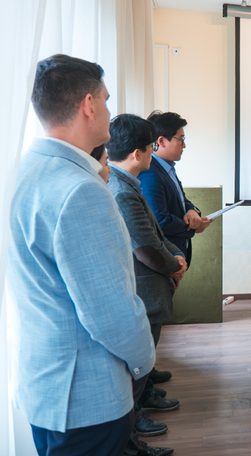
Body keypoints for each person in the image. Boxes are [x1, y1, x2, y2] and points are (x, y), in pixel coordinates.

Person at [6, 54, 160, 456]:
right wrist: (144, 361)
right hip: (87, 398)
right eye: (106, 100)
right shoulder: (81, 190)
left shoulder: (26, 169)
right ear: (89, 105)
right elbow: (111, 311)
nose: (109, 110)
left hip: (45, 385)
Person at [107, 114, 189, 438]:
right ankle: (134, 423)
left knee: (145, 358)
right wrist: (174, 265)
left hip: (149, 285)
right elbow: (146, 247)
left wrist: (176, 255)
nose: (153, 153)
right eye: (150, 147)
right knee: (138, 362)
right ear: (138, 153)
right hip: (144, 288)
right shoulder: (122, 190)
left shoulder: (127, 182)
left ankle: (141, 403)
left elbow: (154, 233)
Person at [138, 110, 209, 384]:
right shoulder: (151, 174)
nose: (184, 144)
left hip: (173, 253)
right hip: (162, 259)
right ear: (161, 141)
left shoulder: (167, 168)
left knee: (157, 322)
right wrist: (192, 227)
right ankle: (145, 381)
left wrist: (192, 211)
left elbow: (182, 201)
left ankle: (149, 370)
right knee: (151, 322)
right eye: (180, 138)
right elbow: (160, 221)